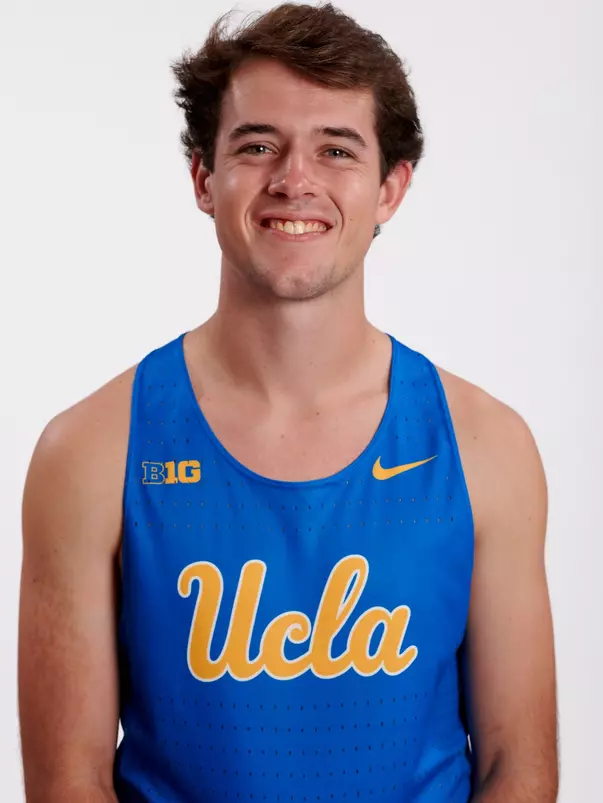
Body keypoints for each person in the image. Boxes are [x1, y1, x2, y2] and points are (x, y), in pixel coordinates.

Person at [18, 3, 558, 802]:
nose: (293, 179)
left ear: (390, 188)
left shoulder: (486, 447)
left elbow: (519, 766)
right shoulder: (90, 452)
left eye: (335, 149)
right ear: (205, 177)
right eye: (257, 144)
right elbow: (68, 783)